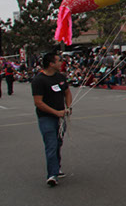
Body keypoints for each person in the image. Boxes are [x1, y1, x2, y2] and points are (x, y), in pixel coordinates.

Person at [32, 52, 72, 187]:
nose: (61, 63)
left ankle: (56, 167)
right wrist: (56, 112)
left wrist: (68, 107)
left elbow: (67, 92)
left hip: (60, 118)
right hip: (46, 118)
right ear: (51, 63)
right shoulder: (39, 80)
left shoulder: (60, 77)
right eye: (59, 61)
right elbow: (38, 102)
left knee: (58, 143)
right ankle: (52, 175)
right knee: (51, 144)